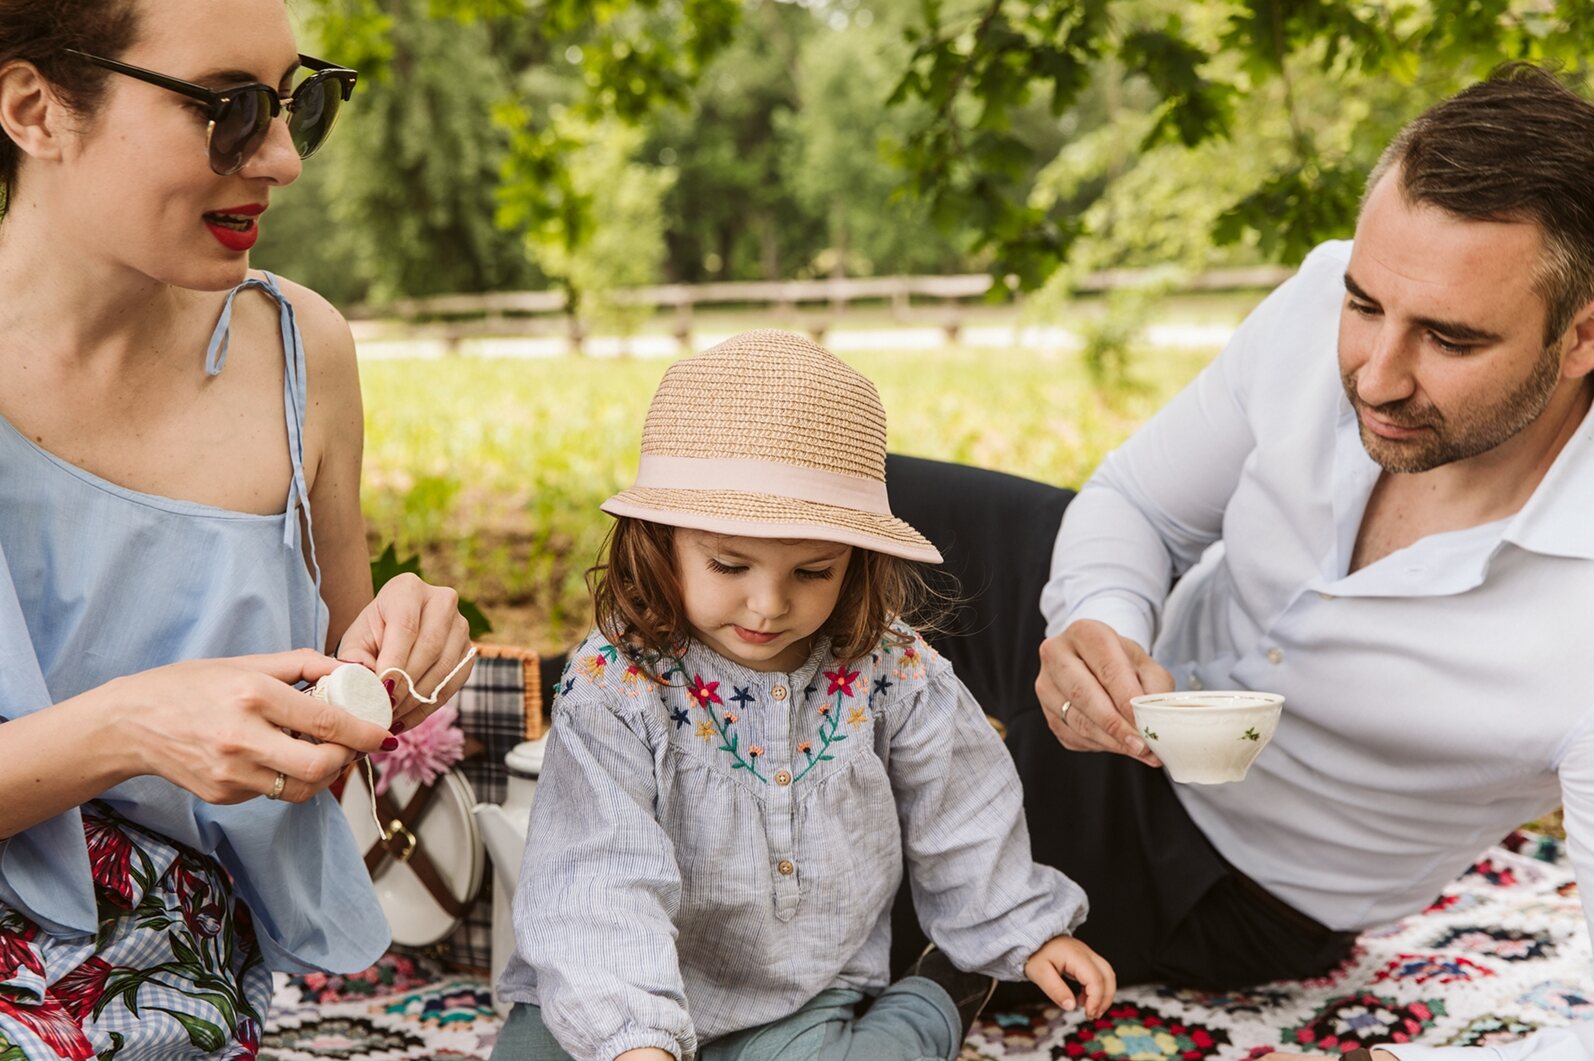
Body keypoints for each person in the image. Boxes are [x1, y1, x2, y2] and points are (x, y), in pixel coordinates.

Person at [1027, 63, 1594, 1061]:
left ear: (1582, 334)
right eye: (1364, 305)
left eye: (1449, 339)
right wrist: (1100, 618)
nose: (1376, 373)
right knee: (827, 497)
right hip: (1132, 671)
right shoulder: (1316, 304)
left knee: (846, 878)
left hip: (1223, 874)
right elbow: (1139, 504)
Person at [0, 0, 474, 1055]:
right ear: (36, 109)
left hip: (185, 988)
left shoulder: (303, 349)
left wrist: (407, 657)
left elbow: (350, 708)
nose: (283, 157)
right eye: (229, 108)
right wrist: (126, 726)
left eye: (299, 101)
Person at [494, 330, 1116, 1061]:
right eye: (730, 563)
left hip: (797, 993)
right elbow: (598, 876)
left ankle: (930, 1001)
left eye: (812, 572)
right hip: (610, 988)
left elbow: (963, 804)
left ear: (855, 563)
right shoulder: (617, 683)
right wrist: (636, 1042)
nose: (766, 605)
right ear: (659, 540)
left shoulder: (889, 669)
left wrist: (1024, 925)